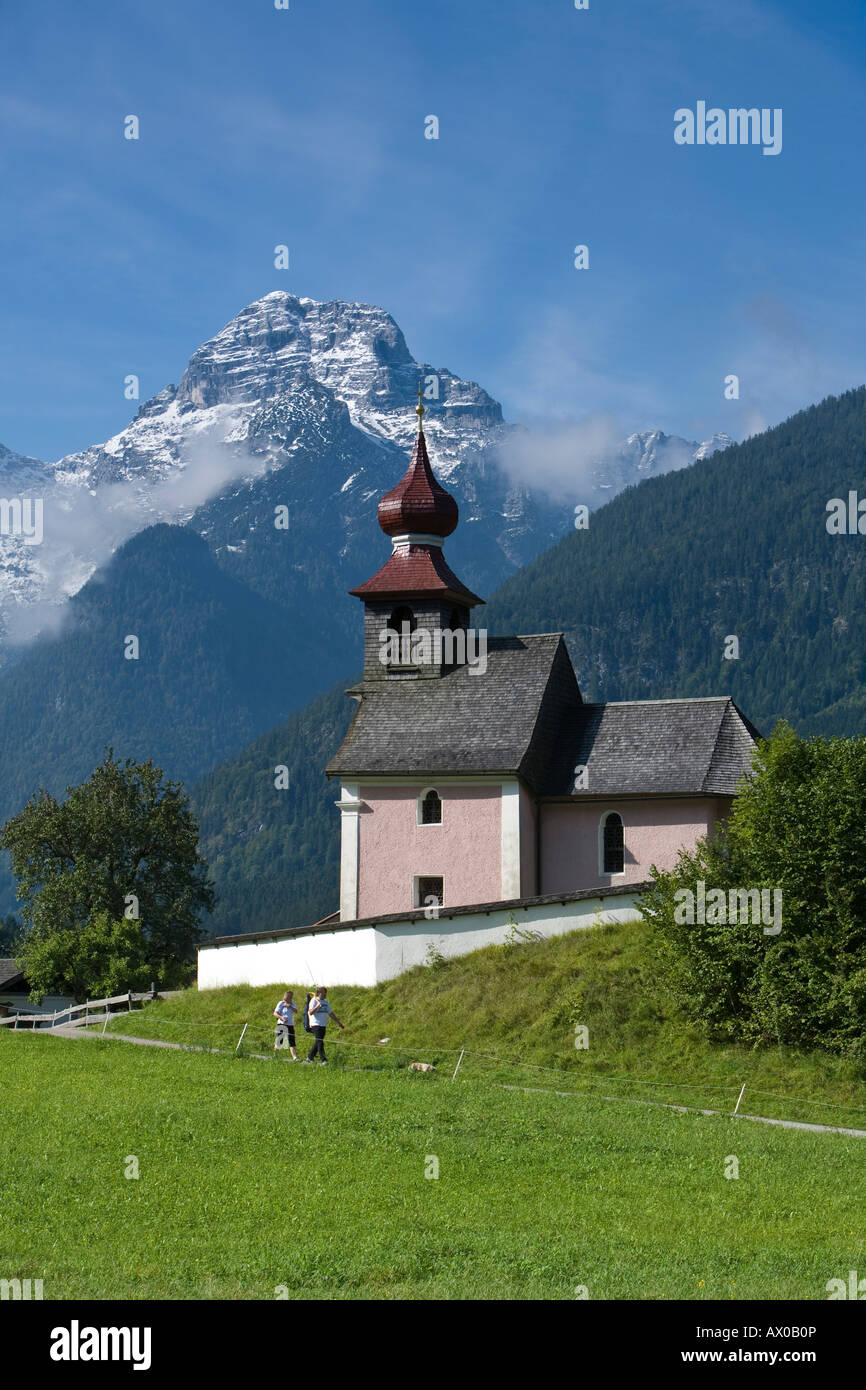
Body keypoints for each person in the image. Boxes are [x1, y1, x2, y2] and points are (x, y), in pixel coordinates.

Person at [303, 986, 344, 1064]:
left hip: (323, 1025)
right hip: (316, 1024)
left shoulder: (326, 1002)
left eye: (326, 992)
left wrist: (339, 1023)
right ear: (319, 993)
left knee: (318, 1041)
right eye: (324, 992)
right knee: (320, 1042)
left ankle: (309, 1058)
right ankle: (324, 1060)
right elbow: (310, 1012)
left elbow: (331, 1013)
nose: (325, 994)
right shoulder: (313, 1001)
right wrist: (318, 1006)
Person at [273, 989, 298, 1060]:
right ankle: (275, 1055)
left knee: (292, 1040)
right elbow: (275, 1013)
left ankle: (294, 1057)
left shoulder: (292, 1004)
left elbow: (296, 1011)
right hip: (282, 1024)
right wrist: (281, 1017)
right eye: (286, 996)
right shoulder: (281, 1003)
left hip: (290, 1025)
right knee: (280, 1040)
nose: (286, 997)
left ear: (291, 997)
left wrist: (289, 1006)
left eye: (288, 996)